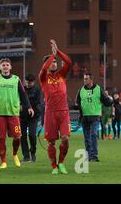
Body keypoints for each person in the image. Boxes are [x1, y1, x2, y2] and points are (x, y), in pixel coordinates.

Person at [0, 58, 33, 169]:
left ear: (10, 67)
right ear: (0, 67)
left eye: (7, 65)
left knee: (17, 137)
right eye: (3, 65)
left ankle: (14, 154)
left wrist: (29, 107)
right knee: (1, 138)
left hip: (13, 113)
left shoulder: (16, 79)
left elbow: (23, 94)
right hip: (0, 113)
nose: (5, 66)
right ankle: (3, 161)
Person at [39, 39, 72, 175]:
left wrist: (57, 51)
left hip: (64, 112)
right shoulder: (43, 77)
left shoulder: (61, 75)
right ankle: (53, 166)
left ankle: (61, 163)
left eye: (55, 62)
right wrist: (52, 55)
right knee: (51, 142)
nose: (54, 63)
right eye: (52, 62)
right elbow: (43, 68)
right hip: (50, 113)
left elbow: (68, 62)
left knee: (65, 138)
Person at [75, 73, 113, 162]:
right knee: (86, 137)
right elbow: (77, 102)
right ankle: (88, 155)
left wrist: (112, 101)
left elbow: (106, 101)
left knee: (93, 134)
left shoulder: (98, 89)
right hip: (84, 117)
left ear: (91, 80)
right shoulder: (80, 90)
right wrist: (76, 107)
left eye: (86, 79)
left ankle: (94, 155)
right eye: (84, 78)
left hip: (95, 116)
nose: (84, 80)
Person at [20, 74, 42, 163]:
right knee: (22, 136)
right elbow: (17, 99)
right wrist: (19, 104)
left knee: (32, 135)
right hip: (22, 116)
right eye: (27, 82)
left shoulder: (37, 90)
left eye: (30, 83)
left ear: (33, 82)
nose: (28, 84)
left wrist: (27, 105)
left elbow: (37, 101)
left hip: (33, 116)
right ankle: (26, 156)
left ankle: (33, 153)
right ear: (24, 81)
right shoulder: (21, 89)